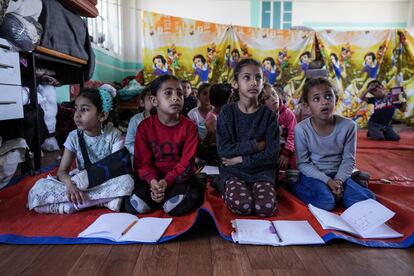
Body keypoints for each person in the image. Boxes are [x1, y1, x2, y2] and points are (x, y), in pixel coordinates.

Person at [28, 88, 134, 214]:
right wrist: (70, 185)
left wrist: (83, 182)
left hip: (104, 182)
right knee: (39, 188)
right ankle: (101, 201)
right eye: (76, 108)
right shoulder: (73, 136)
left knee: (127, 181)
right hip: (80, 183)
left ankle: (69, 206)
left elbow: (116, 169)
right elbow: (62, 171)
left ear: (102, 115)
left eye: (84, 109)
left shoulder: (114, 135)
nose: (77, 114)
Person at [291, 77, 375, 211]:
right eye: (316, 99)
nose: (324, 102)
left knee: (367, 201)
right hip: (313, 175)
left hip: (339, 174)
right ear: (307, 106)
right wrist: (328, 181)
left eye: (329, 96)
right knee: (326, 203)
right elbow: (303, 163)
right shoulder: (301, 129)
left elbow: (348, 160)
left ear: (336, 98)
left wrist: (339, 181)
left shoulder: (349, 126)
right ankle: (293, 184)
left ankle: (346, 185)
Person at [124, 75, 204, 216]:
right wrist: (153, 182)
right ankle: (160, 195)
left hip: (179, 178)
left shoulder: (189, 126)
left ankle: (165, 197)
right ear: (154, 100)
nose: (175, 97)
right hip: (153, 179)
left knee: (176, 207)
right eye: (168, 93)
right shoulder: (144, 127)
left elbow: (187, 163)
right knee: (134, 205)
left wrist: (166, 182)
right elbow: (142, 162)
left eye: (179, 93)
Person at [216, 58, 279, 217]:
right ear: (235, 83)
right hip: (233, 171)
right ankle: (222, 184)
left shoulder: (268, 115)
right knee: (243, 206)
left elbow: (272, 155)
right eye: (247, 77)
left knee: (266, 208)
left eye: (258, 77)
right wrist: (255, 146)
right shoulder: (227, 112)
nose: (253, 82)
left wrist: (241, 159)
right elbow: (224, 150)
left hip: (262, 171)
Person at [262, 83, 297, 171]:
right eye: (267, 98)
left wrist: (286, 153)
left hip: (288, 150)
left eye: (274, 94)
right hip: (272, 151)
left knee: (295, 162)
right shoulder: (262, 118)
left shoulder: (287, 113)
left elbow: (294, 133)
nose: (273, 98)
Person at [200, 83, 232, 165]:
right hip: (217, 153)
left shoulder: (227, 113)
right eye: (231, 98)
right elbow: (220, 140)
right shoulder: (212, 117)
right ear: (226, 100)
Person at [125, 87, 154, 159]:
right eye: (150, 98)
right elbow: (129, 143)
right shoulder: (135, 120)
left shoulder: (166, 119)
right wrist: (142, 153)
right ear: (142, 103)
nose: (155, 100)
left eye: (158, 97)